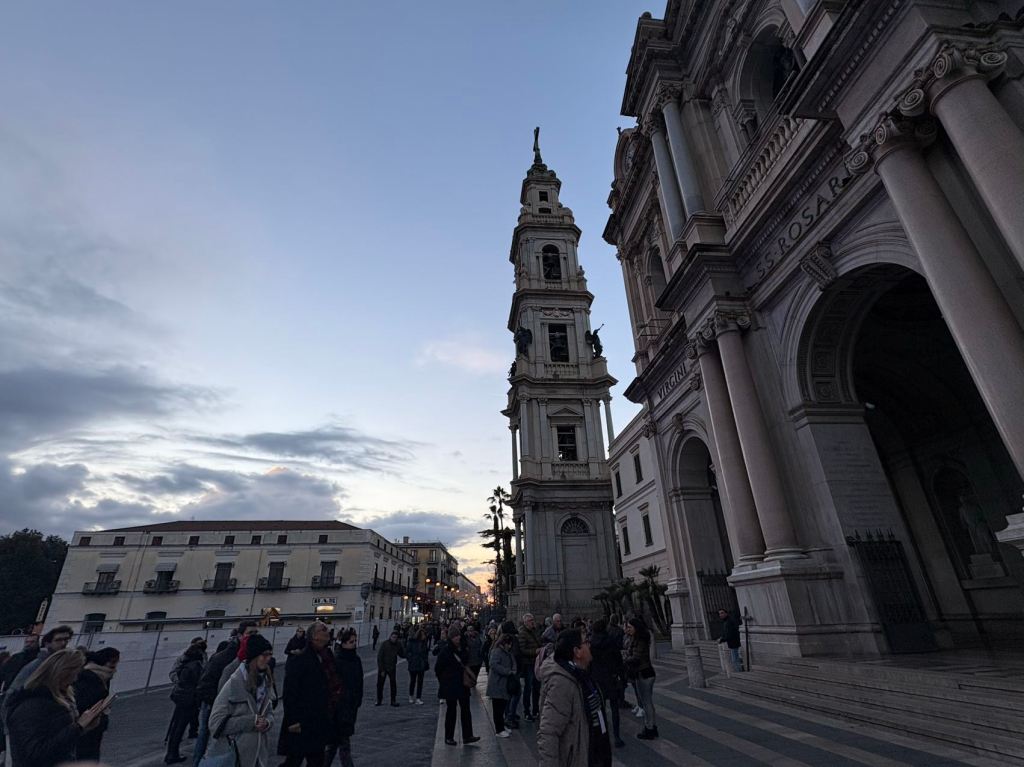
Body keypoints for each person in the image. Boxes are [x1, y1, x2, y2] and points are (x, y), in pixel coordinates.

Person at [4, 648, 108, 767]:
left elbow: (56, 739)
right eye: (74, 674)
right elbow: (35, 753)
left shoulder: (49, 700)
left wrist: (84, 727)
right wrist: (78, 727)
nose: (75, 679)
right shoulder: (33, 705)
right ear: (62, 673)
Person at [537, 628, 611, 767]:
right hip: (578, 757)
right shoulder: (562, 683)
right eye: (586, 642)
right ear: (577, 651)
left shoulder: (582, 674)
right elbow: (549, 731)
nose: (589, 644)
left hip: (593, 749)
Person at [206, 633, 277, 767]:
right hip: (236, 754)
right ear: (254, 657)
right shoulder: (233, 684)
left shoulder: (265, 681)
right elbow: (215, 724)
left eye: (270, 654)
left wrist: (267, 723)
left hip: (258, 754)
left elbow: (269, 713)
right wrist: (251, 721)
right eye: (264, 655)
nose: (268, 658)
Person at [195, 620, 258, 765]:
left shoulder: (250, 656)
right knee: (208, 736)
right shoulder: (225, 656)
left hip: (232, 706)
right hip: (214, 703)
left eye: (256, 633)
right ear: (240, 635)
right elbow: (206, 682)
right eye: (250, 633)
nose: (253, 636)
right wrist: (217, 703)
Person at [278, 621, 337, 766]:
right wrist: (293, 720)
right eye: (323, 630)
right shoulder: (300, 659)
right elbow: (290, 692)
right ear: (314, 636)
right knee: (294, 760)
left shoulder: (326, 656)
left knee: (315, 760)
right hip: (302, 721)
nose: (327, 632)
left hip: (319, 720)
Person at [434, 626, 480, 747]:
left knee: (466, 709)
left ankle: (468, 735)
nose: (457, 638)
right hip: (450, 684)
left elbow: (466, 661)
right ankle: (449, 736)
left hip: (462, 683)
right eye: (455, 636)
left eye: (458, 635)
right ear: (451, 637)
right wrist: (444, 681)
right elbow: (438, 668)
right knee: (451, 710)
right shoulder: (446, 650)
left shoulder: (463, 648)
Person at [73, 646, 120, 761]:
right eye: (113, 663)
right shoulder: (90, 677)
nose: (115, 668)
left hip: (93, 726)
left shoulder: (103, 676)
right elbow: (84, 702)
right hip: (87, 726)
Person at [325, 628, 362, 767]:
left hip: (350, 706)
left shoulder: (356, 660)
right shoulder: (337, 661)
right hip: (338, 708)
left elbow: (359, 681)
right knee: (343, 744)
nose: (354, 644)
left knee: (334, 745)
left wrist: (357, 700)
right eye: (351, 642)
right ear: (344, 643)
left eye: (355, 641)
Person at [166, 643, 205, 764]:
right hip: (189, 699)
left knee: (176, 726)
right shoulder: (196, 666)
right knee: (180, 727)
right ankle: (173, 753)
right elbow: (199, 682)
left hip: (181, 697)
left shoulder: (185, 664)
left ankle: (171, 752)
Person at [589, 619, 625, 748]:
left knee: (600, 709)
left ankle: (603, 736)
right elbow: (618, 660)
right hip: (611, 677)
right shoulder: (611, 641)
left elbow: (589, 663)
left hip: (598, 679)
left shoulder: (591, 643)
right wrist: (622, 676)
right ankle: (616, 736)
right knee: (614, 708)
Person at [7, 625, 74, 693]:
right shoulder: (38, 665)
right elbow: (15, 689)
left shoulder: (68, 663)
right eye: (58, 640)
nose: (63, 643)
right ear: (47, 644)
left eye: (66, 640)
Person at [624, 618, 658, 740]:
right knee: (646, 702)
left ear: (636, 627)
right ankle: (651, 726)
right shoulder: (636, 638)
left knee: (646, 702)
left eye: (630, 627)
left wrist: (624, 660)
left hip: (644, 673)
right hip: (642, 673)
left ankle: (650, 728)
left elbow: (636, 657)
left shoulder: (641, 640)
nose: (628, 629)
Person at [485, 632, 516, 739]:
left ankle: (502, 726)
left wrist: (513, 670)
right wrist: (507, 671)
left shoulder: (507, 652)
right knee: (497, 708)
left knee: (502, 706)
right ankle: (499, 729)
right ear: (504, 643)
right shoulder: (497, 651)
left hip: (504, 683)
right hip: (497, 683)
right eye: (508, 644)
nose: (510, 646)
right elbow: (493, 664)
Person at [517, 613, 542, 721]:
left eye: (533, 620)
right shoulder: (522, 633)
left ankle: (536, 709)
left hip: (536, 663)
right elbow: (522, 650)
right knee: (528, 687)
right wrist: (535, 651)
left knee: (537, 687)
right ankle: (527, 711)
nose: (533, 622)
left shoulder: (534, 631)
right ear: (526, 622)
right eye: (530, 620)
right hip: (528, 664)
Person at [375, 630, 405, 707]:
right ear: (390, 637)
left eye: (395, 638)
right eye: (393, 637)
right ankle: (379, 700)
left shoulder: (398, 644)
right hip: (383, 667)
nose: (394, 639)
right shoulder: (385, 644)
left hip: (392, 667)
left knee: (393, 684)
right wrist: (381, 669)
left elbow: (402, 654)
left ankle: (393, 700)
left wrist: (408, 653)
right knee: (380, 684)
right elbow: (380, 657)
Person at [405, 628, 429, 705]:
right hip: (413, 664)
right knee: (413, 681)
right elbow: (407, 652)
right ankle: (411, 696)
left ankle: (418, 698)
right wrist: (411, 659)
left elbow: (425, 654)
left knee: (420, 682)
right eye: (423, 635)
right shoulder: (412, 642)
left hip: (421, 665)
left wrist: (425, 662)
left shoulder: (424, 643)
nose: (424, 636)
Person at [718, 608, 743, 673]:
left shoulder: (729, 621)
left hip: (734, 642)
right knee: (735, 659)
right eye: (719, 614)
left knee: (735, 660)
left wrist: (722, 639)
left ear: (726, 613)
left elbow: (729, 633)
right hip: (732, 643)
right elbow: (726, 632)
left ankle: (739, 673)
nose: (720, 615)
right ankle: (739, 671)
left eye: (722, 613)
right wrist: (722, 637)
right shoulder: (725, 621)